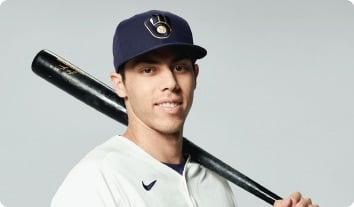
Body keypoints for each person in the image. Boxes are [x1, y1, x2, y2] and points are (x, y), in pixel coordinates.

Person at [51, 10, 319, 207]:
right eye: (148, 70)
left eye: (180, 67)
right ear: (120, 85)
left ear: (195, 76)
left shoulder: (215, 184)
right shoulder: (95, 182)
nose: (170, 83)